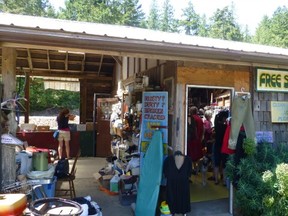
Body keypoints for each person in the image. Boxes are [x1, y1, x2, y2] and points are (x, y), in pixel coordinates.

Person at [187, 106, 204, 173]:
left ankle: (193, 168)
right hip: (198, 139)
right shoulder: (200, 119)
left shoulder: (192, 118)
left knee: (192, 155)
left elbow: (191, 130)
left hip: (192, 139)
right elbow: (203, 129)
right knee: (198, 155)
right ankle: (198, 168)